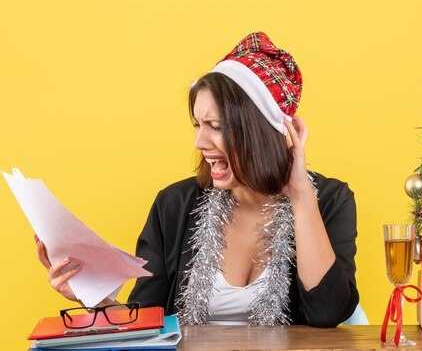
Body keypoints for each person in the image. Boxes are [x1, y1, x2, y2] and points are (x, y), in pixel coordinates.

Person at [35, 32, 359, 327]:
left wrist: (301, 194)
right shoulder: (173, 206)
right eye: (197, 125)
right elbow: (147, 320)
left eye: (215, 127)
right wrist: (87, 294)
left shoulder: (330, 200)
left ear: (259, 132)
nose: (200, 143)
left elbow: (327, 313)